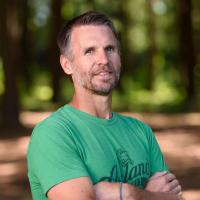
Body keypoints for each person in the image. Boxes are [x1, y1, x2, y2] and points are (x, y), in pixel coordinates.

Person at [27, 11, 183, 200]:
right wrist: (144, 195)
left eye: (110, 49)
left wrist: (128, 194)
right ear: (67, 64)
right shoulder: (53, 134)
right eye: (89, 51)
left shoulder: (141, 132)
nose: (104, 60)